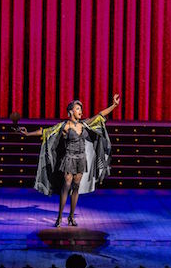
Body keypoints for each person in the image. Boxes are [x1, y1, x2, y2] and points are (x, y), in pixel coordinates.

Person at [19, 94, 120, 227]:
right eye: (78, 109)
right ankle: (60, 217)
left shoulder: (84, 124)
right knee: (66, 186)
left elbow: (100, 115)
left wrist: (114, 105)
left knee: (76, 187)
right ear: (71, 111)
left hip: (81, 159)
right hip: (69, 158)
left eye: (81, 109)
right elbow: (46, 132)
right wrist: (28, 134)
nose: (81, 111)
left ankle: (71, 217)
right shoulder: (65, 125)